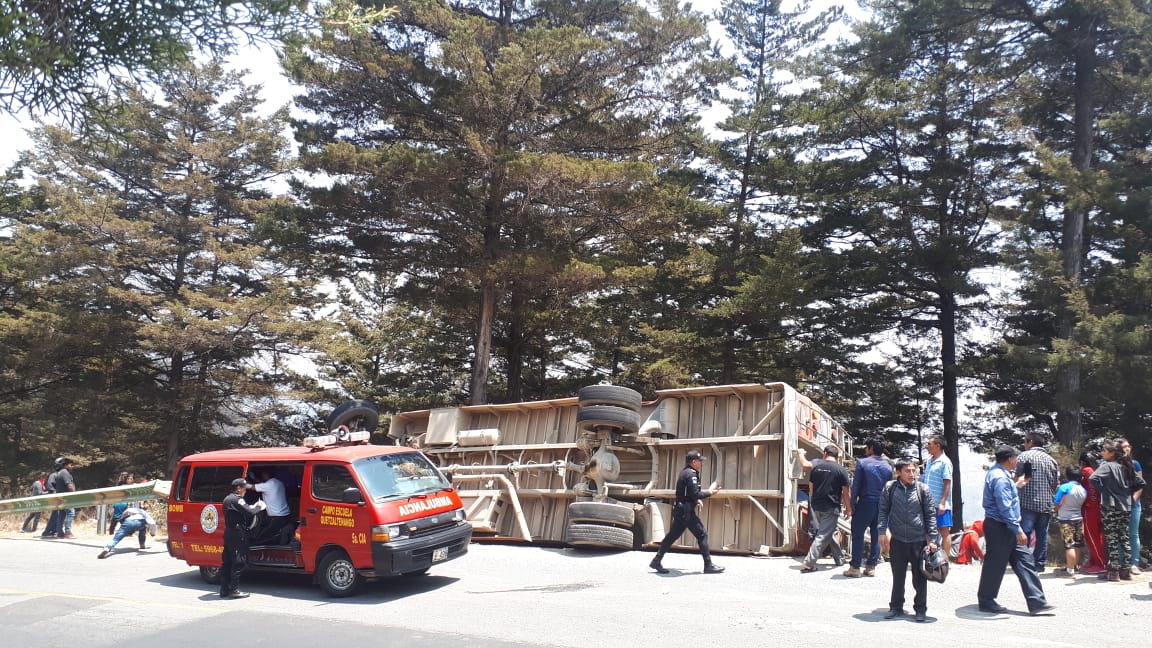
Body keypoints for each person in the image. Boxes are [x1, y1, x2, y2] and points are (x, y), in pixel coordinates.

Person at [977, 445, 1053, 615]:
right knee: (995, 565)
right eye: (1016, 459)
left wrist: (1017, 485)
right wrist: (1017, 529)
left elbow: (1006, 497)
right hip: (1001, 526)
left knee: (1025, 561)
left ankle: (1037, 602)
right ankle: (986, 600)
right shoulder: (1000, 478)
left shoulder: (1001, 475)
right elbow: (1005, 507)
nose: (1017, 462)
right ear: (1010, 459)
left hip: (1006, 525)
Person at [878, 457, 938, 622]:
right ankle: (896, 607)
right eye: (908, 471)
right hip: (897, 540)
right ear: (898, 472)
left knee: (920, 578)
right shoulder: (890, 488)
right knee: (898, 577)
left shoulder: (923, 489)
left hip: (918, 540)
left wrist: (932, 539)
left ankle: (920, 610)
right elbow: (883, 510)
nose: (912, 474)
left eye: (914, 470)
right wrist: (882, 531)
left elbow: (930, 515)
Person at [649, 450, 723, 574]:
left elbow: (688, 494)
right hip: (686, 512)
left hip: (681, 509)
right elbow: (694, 494)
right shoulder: (691, 474)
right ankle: (708, 565)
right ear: (694, 462)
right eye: (699, 461)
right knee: (702, 534)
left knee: (672, 536)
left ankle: (657, 560)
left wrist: (696, 500)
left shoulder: (686, 472)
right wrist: (710, 493)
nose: (701, 463)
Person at [1091, 439, 1146, 581]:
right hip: (1126, 506)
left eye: (1104, 450)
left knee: (1112, 537)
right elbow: (1141, 483)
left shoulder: (1108, 466)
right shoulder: (1127, 466)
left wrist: (1105, 490)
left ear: (1112, 453)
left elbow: (1093, 478)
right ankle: (1125, 570)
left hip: (1110, 506)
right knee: (1124, 536)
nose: (1102, 453)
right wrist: (1127, 493)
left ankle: (1113, 571)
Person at [796, 444, 852, 572]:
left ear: (825, 453)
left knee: (828, 532)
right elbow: (846, 492)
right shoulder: (841, 470)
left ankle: (839, 559)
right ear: (837, 456)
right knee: (823, 534)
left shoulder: (817, 468)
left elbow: (811, 487)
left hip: (816, 505)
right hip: (831, 506)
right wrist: (848, 508)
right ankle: (809, 563)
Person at [844, 438, 892, 578]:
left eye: (866, 447)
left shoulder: (862, 463)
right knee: (877, 535)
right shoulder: (888, 466)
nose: (865, 450)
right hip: (882, 504)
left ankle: (855, 567)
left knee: (858, 534)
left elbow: (857, 485)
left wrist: (852, 504)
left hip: (866, 503)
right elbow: (889, 487)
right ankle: (871, 567)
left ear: (870, 448)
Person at [1014, 432, 1059, 572]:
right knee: (1042, 535)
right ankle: (1039, 564)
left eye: (1025, 442)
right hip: (1045, 503)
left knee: (1024, 533)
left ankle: (1023, 562)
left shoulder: (1024, 456)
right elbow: (1055, 483)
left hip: (1027, 501)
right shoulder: (1052, 460)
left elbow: (1016, 477)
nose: (1024, 444)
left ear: (1030, 442)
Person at [220, 478, 266, 598]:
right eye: (244, 488)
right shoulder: (237, 500)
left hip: (228, 532)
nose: (246, 490)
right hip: (237, 534)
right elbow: (250, 513)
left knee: (227, 562)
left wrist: (251, 507)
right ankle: (234, 590)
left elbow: (241, 510)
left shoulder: (227, 499)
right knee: (238, 562)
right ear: (238, 488)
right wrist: (259, 507)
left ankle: (224, 589)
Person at [919, 435, 954, 561]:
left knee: (943, 530)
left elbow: (947, 483)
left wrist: (942, 502)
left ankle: (944, 559)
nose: (927, 446)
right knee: (928, 530)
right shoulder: (929, 461)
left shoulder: (945, 462)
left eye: (929, 444)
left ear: (937, 446)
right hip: (927, 502)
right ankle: (931, 556)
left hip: (939, 502)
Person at [1052, 465, 1087, 576]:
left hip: (1066, 519)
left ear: (1067, 475)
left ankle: (1069, 569)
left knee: (1069, 545)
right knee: (1077, 544)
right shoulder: (1083, 490)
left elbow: (1057, 503)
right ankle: (1075, 566)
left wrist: (1056, 510)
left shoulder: (1064, 488)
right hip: (1079, 518)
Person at [1079, 451, 1107, 574]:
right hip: (1098, 507)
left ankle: (1100, 564)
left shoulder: (1086, 471)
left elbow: (1090, 489)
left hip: (1090, 508)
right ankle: (1094, 560)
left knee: (1091, 536)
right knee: (1097, 536)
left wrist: (1089, 502)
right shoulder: (1095, 469)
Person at [1118, 438, 1144, 574]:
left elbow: (1140, 485)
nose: (1126, 449)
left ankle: (1134, 563)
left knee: (1133, 534)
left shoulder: (1135, 464)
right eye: (1123, 447)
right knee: (1118, 534)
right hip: (1117, 504)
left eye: (1128, 446)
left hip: (1134, 504)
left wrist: (1133, 499)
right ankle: (1120, 562)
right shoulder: (1112, 464)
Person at [251, 469, 292, 545]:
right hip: (285, 515)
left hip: (277, 517)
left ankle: (259, 552)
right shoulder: (278, 482)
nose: (262, 476)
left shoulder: (269, 485)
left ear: (265, 475)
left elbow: (253, 487)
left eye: (262, 474)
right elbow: (261, 485)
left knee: (263, 537)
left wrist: (243, 484)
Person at [42, 458, 78, 539]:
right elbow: (69, 485)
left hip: (61, 498)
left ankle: (59, 533)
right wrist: (74, 495)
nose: (72, 466)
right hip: (66, 498)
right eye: (71, 465)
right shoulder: (65, 473)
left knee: (61, 515)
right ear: (65, 465)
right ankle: (68, 532)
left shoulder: (59, 473)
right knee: (71, 513)